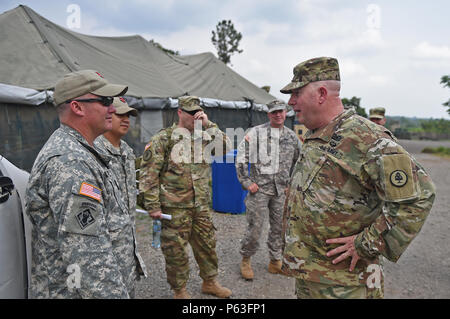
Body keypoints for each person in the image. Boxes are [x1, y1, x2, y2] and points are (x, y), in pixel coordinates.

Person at [279, 57, 436, 299]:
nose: (290, 102)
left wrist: (367, 243)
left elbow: (418, 197)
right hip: (314, 277)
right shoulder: (318, 134)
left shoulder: (367, 138)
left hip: (347, 285)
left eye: (296, 93)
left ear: (321, 94)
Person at [25, 70, 139, 298]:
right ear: (77, 107)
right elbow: (88, 258)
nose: (113, 109)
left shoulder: (85, 152)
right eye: (105, 101)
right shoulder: (70, 162)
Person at [139, 96, 232, 299]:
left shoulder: (204, 137)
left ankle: (210, 282)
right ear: (180, 112)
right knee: (176, 252)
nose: (195, 116)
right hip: (174, 207)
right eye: (191, 113)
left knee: (207, 245)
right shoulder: (164, 138)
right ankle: (179, 290)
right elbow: (149, 175)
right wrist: (153, 206)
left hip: (200, 206)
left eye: (198, 112)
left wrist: (208, 124)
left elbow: (226, 147)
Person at [235, 100, 301, 280]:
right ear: (268, 114)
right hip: (260, 190)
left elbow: (297, 163)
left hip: (281, 191)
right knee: (255, 227)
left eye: (281, 111)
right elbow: (241, 158)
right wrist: (247, 182)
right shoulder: (256, 133)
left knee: (279, 228)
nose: (278, 115)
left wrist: (290, 185)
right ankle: (246, 259)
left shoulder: (292, 137)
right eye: (274, 112)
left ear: (286, 113)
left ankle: (275, 261)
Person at [94, 96, 147, 288]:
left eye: (129, 115)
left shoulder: (126, 151)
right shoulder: (95, 152)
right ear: (107, 115)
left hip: (126, 243)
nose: (126, 119)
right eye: (120, 114)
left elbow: (132, 191)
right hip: (103, 250)